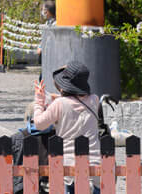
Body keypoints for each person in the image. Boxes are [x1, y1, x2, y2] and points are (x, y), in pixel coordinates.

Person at [33, 61, 102, 194]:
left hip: (69, 169)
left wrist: (39, 101)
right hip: (95, 167)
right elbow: (77, 100)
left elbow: (39, 124)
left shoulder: (59, 104)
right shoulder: (95, 100)